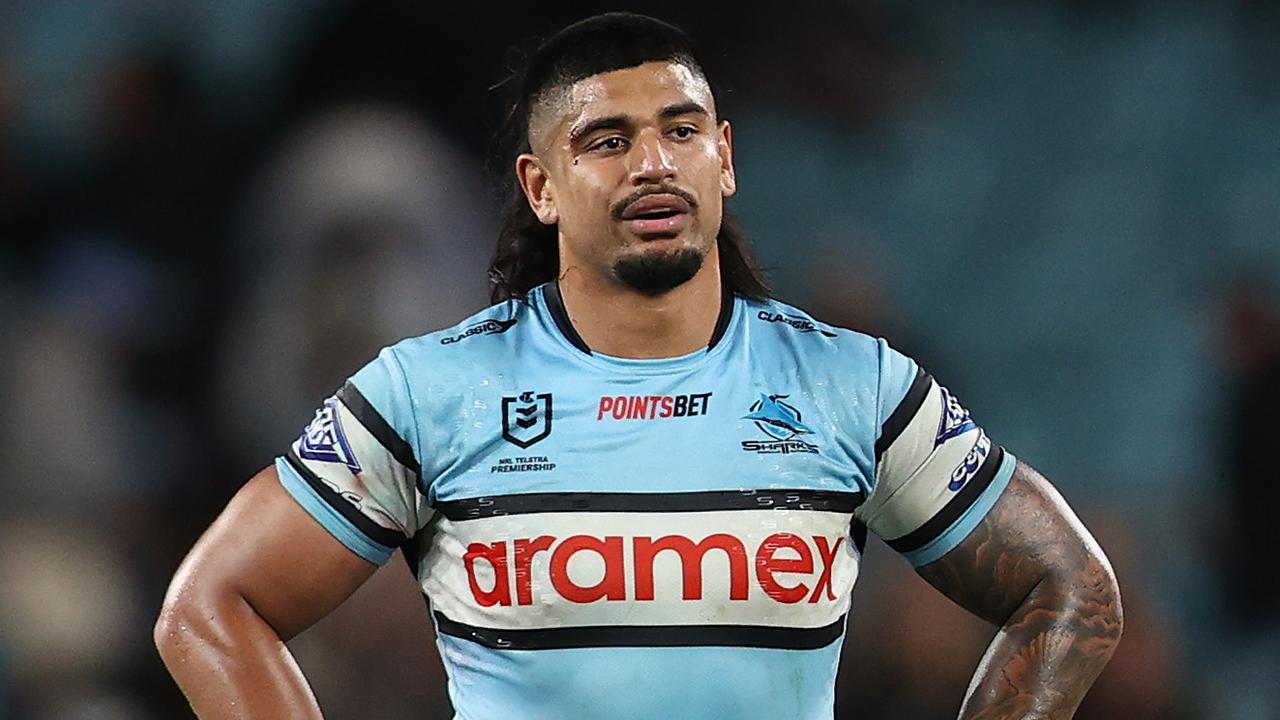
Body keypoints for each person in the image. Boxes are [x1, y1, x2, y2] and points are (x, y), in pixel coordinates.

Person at [155, 12, 1122, 719]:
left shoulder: (850, 387)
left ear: (725, 159)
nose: (652, 163)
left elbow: (1071, 589)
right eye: (606, 141)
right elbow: (210, 609)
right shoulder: (430, 394)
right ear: (540, 186)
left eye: (681, 130)